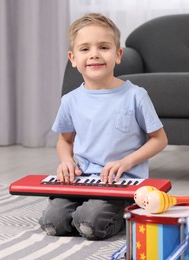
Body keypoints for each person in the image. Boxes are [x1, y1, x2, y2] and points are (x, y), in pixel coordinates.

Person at [39, 13, 168, 240]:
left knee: (90, 223)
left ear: (118, 55)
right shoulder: (70, 100)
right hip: (81, 180)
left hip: (122, 183)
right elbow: (65, 140)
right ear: (73, 58)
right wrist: (66, 161)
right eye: (85, 49)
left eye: (104, 47)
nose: (94, 55)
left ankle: (116, 211)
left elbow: (159, 139)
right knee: (52, 223)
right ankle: (83, 210)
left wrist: (126, 162)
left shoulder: (136, 95)